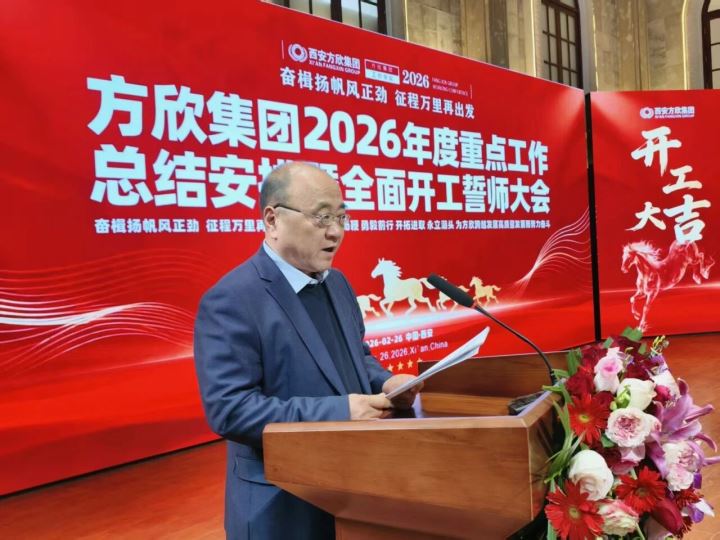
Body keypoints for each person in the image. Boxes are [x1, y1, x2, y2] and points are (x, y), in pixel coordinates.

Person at [193, 162, 420, 540]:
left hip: (354, 492)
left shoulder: (338, 284)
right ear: (272, 220)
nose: (336, 231)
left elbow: (356, 354)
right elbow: (231, 410)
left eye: (341, 217)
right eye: (321, 217)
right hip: (282, 504)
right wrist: (341, 412)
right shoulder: (231, 299)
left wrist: (386, 382)